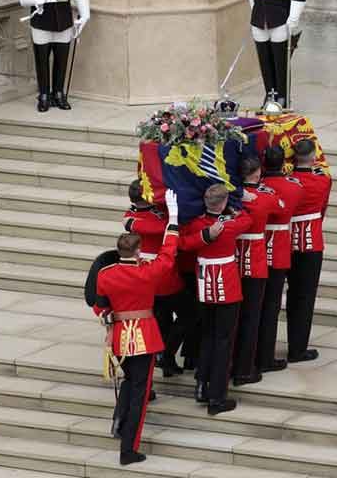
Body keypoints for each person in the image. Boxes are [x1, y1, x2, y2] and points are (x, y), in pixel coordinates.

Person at [93, 191, 181, 466]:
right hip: (144, 335)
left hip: (120, 335)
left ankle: (120, 426)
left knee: (131, 383)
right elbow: (168, 254)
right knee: (139, 396)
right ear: (138, 250)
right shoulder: (146, 272)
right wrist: (174, 218)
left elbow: (100, 307)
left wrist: (110, 321)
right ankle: (129, 449)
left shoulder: (106, 274)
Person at [180, 184, 252, 415]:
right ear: (223, 202)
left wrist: (205, 235)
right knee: (223, 342)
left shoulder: (197, 225)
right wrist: (231, 211)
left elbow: (184, 243)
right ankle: (217, 397)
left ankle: (202, 384)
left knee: (208, 336)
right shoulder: (229, 225)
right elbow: (247, 219)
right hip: (226, 286)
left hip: (204, 285)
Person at [123, 179, 193, 377]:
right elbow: (160, 229)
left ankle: (166, 358)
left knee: (165, 320)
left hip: (153, 275)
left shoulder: (135, 215)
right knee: (188, 315)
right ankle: (165, 354)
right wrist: (172, 215)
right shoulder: (137, 218)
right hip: (161, 276)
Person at [232, 156, 282, 385]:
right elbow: (280, 208)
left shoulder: (234, 199)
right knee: (251, 318)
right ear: (257, 173)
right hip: (255, 261)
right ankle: (245, 368)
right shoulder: (264, 197)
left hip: (232, 261)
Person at [257, 145, 302, 372]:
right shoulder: (292, 186)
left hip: (256, 245)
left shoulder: (259, 187)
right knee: (272, 305)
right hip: (279, 246)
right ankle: (266, 355)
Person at [287, 139, 331, 363]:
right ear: (313, 157)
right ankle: (298, 348)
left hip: (285, 241)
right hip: (311, 241)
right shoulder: (322, 181)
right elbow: (322, 209)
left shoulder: (288, 182)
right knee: (304, 297)